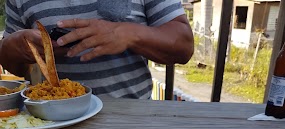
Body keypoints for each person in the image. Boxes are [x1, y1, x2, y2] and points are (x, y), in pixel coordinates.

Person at [0, 1, 194, 99]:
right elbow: (16, 66)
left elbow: (183, 46)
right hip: (49, 122)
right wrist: (10, 47)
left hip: (129, 123)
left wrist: (128, 34)